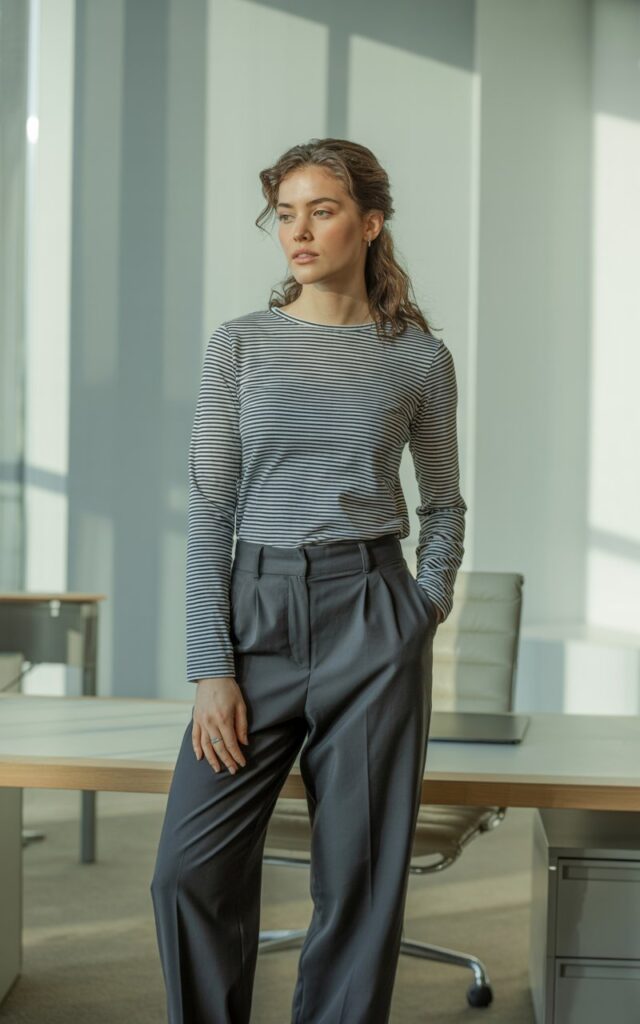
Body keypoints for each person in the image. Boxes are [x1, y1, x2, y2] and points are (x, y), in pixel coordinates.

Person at [150, 137, 467, 1024]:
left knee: (359, 883)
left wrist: (422, 606)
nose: (298, 230)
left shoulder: (418, 359)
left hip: (372, 612)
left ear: (370, 223)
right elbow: (212, 507)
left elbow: (443, 504)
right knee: (187, 870)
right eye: (284, 213)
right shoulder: (240, 346)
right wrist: (212, 669)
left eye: (321, 210)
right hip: (257, 616)